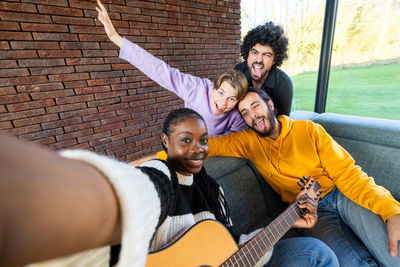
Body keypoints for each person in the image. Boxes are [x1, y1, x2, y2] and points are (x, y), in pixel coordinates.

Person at [0, 108, 339, 267]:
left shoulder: (212, 190)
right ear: (166, 142)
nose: (198, 149)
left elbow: (231, 250)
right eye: (186, 140)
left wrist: (292, 217)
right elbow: (143, 191)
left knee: (319, 253)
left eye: (204, 140)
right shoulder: (160, 173)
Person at [207, 87, 400, 266]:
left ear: (270, 104)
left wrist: (390, 210)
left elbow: (349, 174)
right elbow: (207, 145)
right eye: (245, 113)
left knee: (391, 247)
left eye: (255, 105)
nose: (253, 116)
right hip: (311, 212)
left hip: (341, 193)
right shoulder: (247, 142)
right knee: (349, 261)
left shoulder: (309, 130)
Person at [95, 0, 248, 137]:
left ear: (238, 100)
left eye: (231, 98)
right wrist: (115, 37)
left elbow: (232, 142)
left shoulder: (237, 116)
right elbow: (160, 70)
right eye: (221, 93)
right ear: (213, 88)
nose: (223, 102)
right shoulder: (197, 89)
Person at [234, 22, 293, 116]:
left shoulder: (283, 83)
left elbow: (282, 123)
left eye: (267, 55)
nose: (259, 60)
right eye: (254, 52)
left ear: (274, 60)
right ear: (247, 53)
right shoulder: (239, 71)